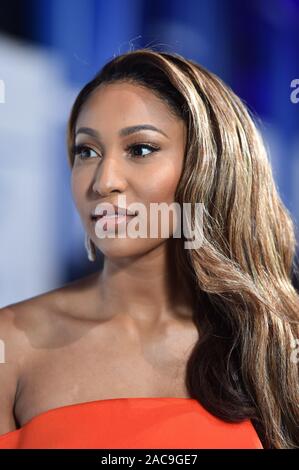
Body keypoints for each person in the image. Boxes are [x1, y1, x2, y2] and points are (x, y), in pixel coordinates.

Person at [0, 48, 298, 449]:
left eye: (140, 150)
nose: (104, 181)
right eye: (86, 152)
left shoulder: (276, 342)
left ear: (208, 166)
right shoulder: (11, 346)